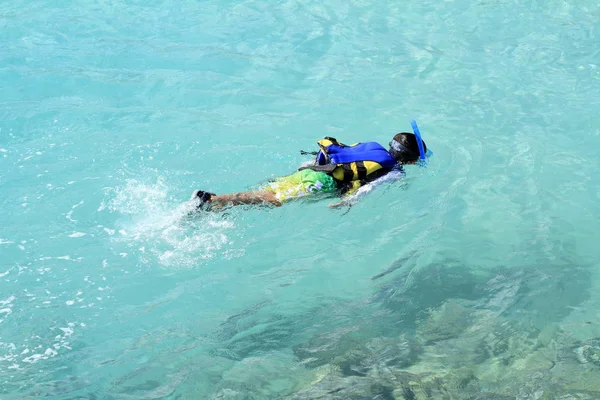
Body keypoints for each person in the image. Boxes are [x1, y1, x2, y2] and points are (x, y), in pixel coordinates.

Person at [191, 126, 428, 210]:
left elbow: (341, 153)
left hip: (313, 170)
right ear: (410, 159)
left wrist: (305, 169)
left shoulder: (373, 146)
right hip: (323, 183)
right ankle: (212, 199)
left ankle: (218, 204)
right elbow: (371, 187)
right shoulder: (395, 171)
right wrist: (347, 202)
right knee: (273, 199)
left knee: (271, 190)